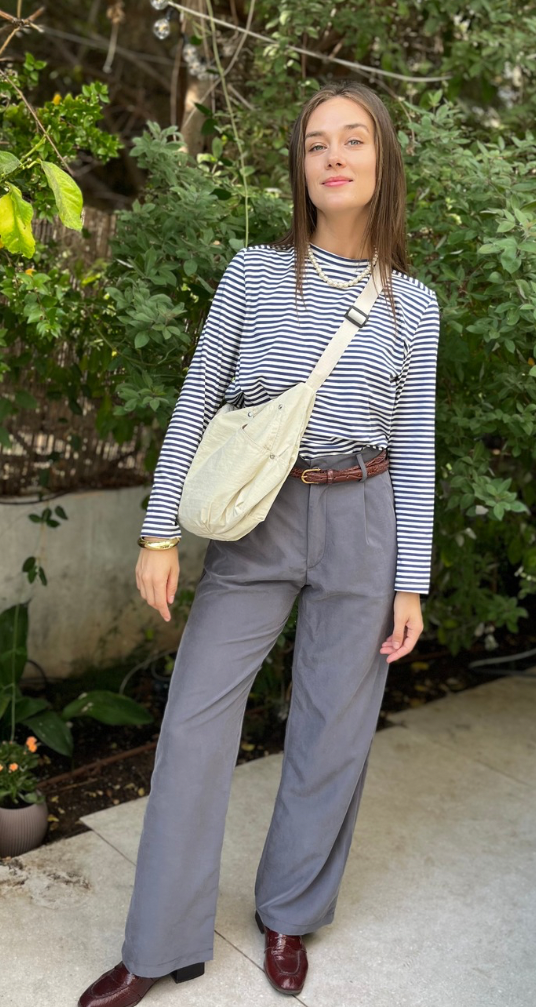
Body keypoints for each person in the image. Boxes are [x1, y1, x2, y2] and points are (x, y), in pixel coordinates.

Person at [77, 80, 441, 1007]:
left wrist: (412, 578)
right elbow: (200, 400)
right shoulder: (253, 274)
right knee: (196, 720)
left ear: (381, 159)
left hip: (366, 516)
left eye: (352, 140)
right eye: (317, 143)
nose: (334, 156)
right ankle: (160, 945)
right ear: (301, 167)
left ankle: (288, 913)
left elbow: (418, 444)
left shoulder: (416, 305)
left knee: (332, 729)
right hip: (257, 519)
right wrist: (160, 529)